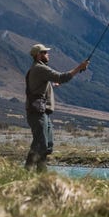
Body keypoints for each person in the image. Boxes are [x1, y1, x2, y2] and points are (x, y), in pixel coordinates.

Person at [25, 43, 89, 171]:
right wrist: (79, 68)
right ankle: (40, 175)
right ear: (38, 55)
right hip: (37, 112)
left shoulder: (39, 69)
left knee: (46, 145)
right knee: (41, 145)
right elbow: (62, 77)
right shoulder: (40, 69)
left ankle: (28, 171)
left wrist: (53, 84)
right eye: (44, 52)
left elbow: (39, 88)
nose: (47, 54)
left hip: (42, 112)